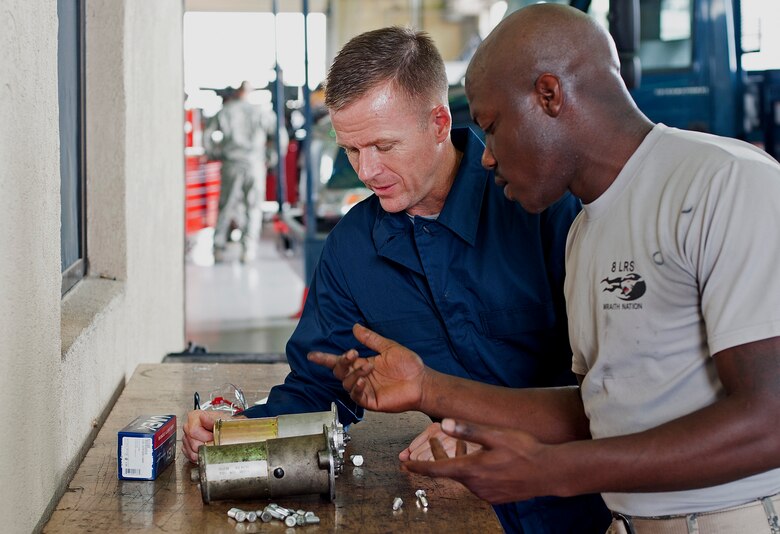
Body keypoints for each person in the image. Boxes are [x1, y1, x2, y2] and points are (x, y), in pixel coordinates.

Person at [309, 4, 780, 533]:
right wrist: (430, 390)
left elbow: (771, 420)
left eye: (492, 126)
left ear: (549, 95)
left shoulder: (725, 183)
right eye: (352, 150)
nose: (485, 157)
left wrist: (550, 470)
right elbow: (597, 409)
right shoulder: (589, 229)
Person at [184, 26, 610, 533]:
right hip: (455, 511)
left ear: (437, 122)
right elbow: (321, 388)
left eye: (384, 145)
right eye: (351, 150)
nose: (367, 170)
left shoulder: (542, 209)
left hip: (584, 505)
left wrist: (484, 432)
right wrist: (241, 433)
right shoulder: (352, 249)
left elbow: (613, 394)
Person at [204, 80, 284, 262]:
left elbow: (207, 135)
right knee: (253, 207)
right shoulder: (261, 112)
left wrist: (216, 153)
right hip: (255, 165)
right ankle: (248, 250)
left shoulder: (226, 111)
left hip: (231, 163)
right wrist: (271, 158)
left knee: (226, 206)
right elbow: (280, 136)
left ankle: (217, 247)